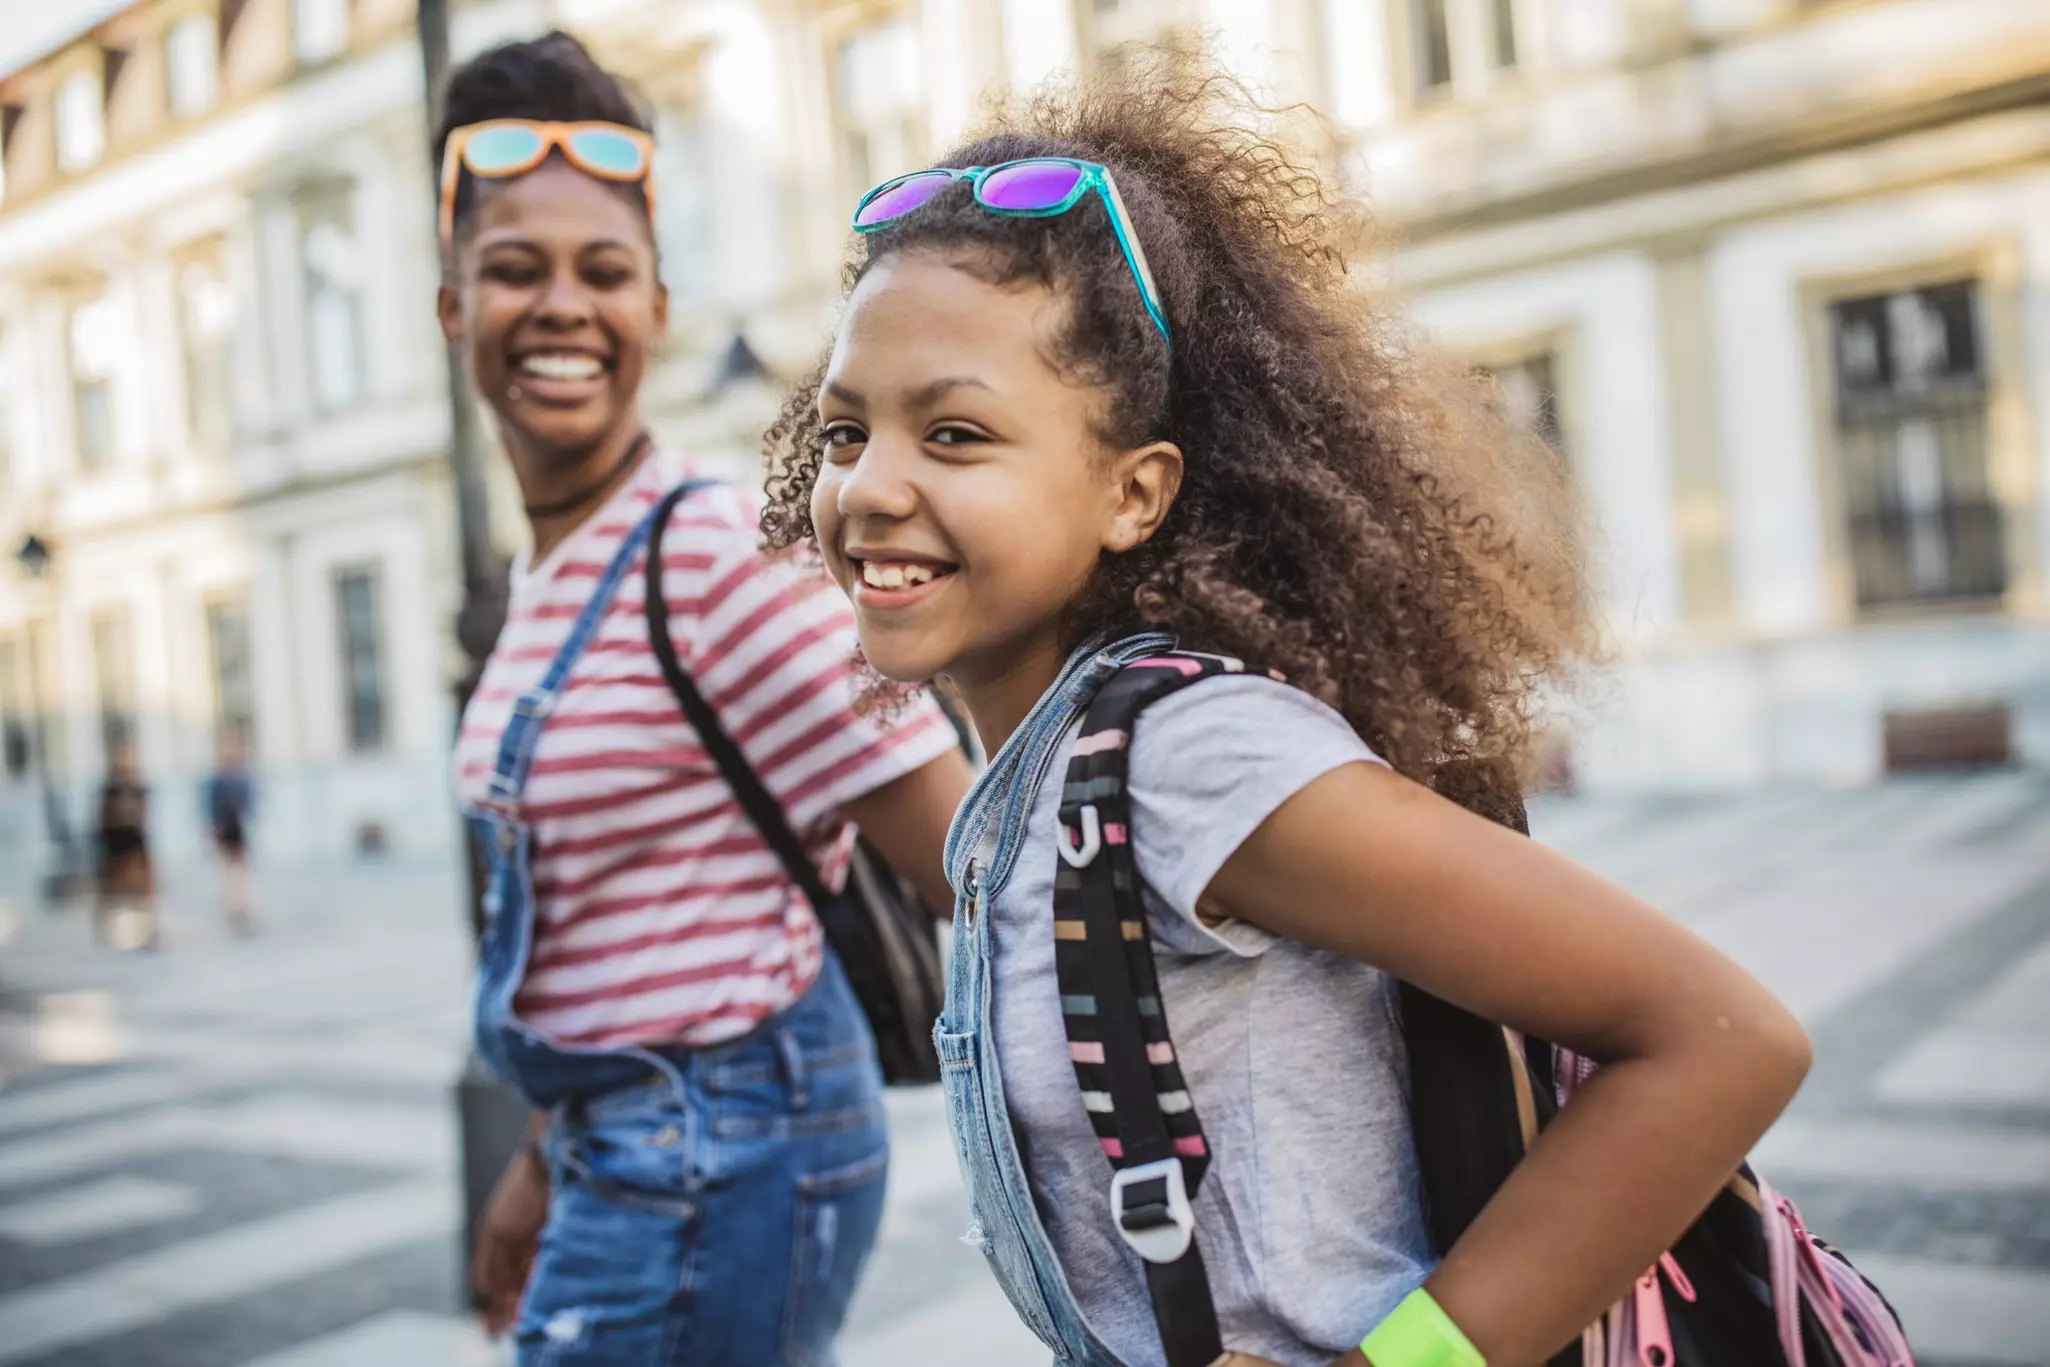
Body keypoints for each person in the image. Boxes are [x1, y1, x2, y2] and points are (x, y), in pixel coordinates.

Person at [761, 60, 1815, 1367]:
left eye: (957, 435)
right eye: (846, 430)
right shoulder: (1032, 766)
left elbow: (1716, 1040)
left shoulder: (1181, 753)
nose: (868, 486)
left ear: (1132, 494)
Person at [436, 33, 972, 1366]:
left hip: (729, 1146)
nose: (562, 304)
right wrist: (540, 1156)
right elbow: (622, 921)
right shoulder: (552, 573)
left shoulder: (714, 553)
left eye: (603, 271)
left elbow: (983, 864)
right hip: (628, 1138)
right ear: (452, 305)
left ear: (657, 306)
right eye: (515, 269)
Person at [93, 739, 156, 950]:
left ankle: (145, 931)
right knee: (115, 891)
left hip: (135, 843)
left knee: (142, 890)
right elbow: (101, 819)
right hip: (115, 845)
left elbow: (143, 815)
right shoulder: (109, 789)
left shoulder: (139, 787)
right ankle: (112, 927)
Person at [203, 728, 256, 936]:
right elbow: (211, 806)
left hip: (237, 827)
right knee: (228, 869)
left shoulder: (241, 776)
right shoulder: (218, 779)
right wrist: (214, 828)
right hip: (225, 828)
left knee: (241, 868)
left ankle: (243, 905)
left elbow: (249, 802)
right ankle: (234, 906)